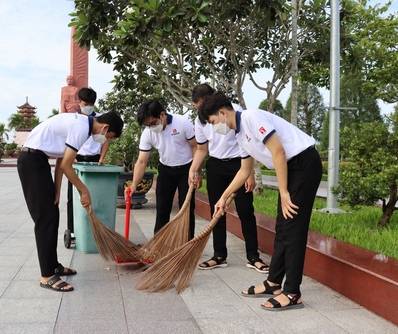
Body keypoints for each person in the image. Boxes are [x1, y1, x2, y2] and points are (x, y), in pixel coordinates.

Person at [198, 92, 322, 311]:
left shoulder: (251, 117)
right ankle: (273, 282)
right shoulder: (239, 135)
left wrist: (283, 192)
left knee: (293, 228)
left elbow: (278, 151)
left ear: (223, 112)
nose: (213, 128)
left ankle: (292, 292)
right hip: (291, 168)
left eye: (213, 122)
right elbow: (244, 171)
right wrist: (223, 197)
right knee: (283, 228)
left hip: (304, 164)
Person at [17, 111, 123, 292]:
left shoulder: (83, 124)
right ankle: (47, 276)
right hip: (31, 161)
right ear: (105, 128)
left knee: (53, 214)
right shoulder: (81, 127)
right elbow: (67, 165)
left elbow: (61, 158)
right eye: (109, 137)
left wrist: (57, 189)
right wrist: (84, 191)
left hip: (38, 161)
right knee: (45, 219)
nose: (105, 140)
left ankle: (53, 266)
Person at [189, 84, 269, 273]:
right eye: (197, 108)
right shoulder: (200, 120)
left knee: (245, 210)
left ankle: (253, 256)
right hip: (216, 166)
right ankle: (219, 255)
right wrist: (194, 170)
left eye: (201, 106)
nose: (200, 112)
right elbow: (201, 149)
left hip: (239, 165)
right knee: (217, 210)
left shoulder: (235, 112)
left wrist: (249, 174)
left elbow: (248, 144)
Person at [126, 99, 197, 239]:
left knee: (186, 209)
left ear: (162, 115)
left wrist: (195, 171)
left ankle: (187, 245)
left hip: (186, 169)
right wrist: (134, 184)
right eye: (148, 125)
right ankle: (159, 245)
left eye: (153, 123)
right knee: (162, 210)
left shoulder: (182, 123)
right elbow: (141, 161)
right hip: (166, 170)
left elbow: (196, 146)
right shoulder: (148, 133)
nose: (152, 128)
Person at [66, 87, 110, 236]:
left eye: (91, 103)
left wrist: (102, 157)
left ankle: (95, 228)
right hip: (76, 160)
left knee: (96, 195)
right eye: (86, 103)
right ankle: (72, 230)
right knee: (73, 196)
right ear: (79, 102)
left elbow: (105, 140)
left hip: (95, 159)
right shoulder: (73, 119)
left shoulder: (100, 119)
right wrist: (72, 157)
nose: (88, 106)